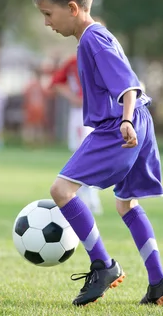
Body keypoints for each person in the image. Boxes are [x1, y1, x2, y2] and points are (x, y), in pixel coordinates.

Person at [32, 0, 163, 307]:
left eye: (48, 13)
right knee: (126, 204)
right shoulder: (96, 37)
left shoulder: (93, 38)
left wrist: (125, 121)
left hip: (120, 125)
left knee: (61, 191)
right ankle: (158, 282)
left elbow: (128, 84)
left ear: (72, 7)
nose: (46, 22)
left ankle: (103, 264)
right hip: (139, 122)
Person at [49, 54, 103, 215]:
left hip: (97, 112)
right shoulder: (73, 62)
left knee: (90, 155)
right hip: (79, 114)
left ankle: (90, 197)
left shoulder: (103, 58)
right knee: (80, 153)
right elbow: (55, 83)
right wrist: (73, 97)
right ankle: (84, 196)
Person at [22, 67, 48, 147]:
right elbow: (46, 95)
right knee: (38, 127)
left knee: (29, 127)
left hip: (31, 108)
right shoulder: (40, 86)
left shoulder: (30, 86)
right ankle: (38, 144)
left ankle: (29, 144)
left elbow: (25, 96)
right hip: (39, 108)